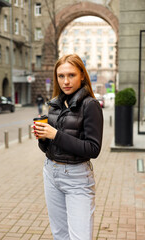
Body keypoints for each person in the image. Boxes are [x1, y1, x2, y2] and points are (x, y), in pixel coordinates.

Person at [32, 54, 103, 240]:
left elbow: (93, 149)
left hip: (77, 177)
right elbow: (49, 148)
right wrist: (42, 137)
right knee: (60, 235)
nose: (66, 81)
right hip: (51, 172)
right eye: (61, 76)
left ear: (82, 75)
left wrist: (54, 134)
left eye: (71, 75)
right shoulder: (55, 104)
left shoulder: (90, 105)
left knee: (79, 236)